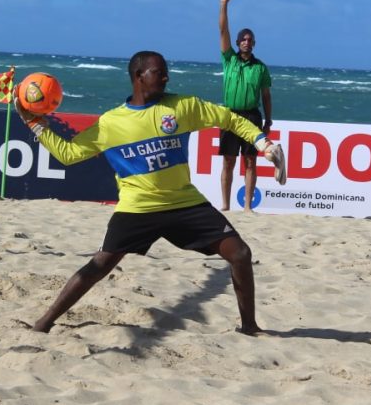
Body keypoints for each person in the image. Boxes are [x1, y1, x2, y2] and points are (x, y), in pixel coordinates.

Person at [15, 50, 286, 335]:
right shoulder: (111, 123)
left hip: (184, 202)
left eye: (166, 71)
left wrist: (265, 145)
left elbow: (231, 120)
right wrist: (34, 123)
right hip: (138, 207)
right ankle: (44, 323)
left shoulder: (183, 107)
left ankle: (249, 327)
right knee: (100, 265)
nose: (166, 77)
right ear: (138, 76)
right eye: (159, 72)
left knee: (240, 254)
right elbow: (69, 154)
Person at [217, 0, 273, 212]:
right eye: (243, 39)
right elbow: (223, 30)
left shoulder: (260, 67)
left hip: (251, 115)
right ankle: (226, 205)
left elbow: (266, 96)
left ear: (254, 43)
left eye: (250, 40)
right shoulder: (229, 59)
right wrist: (224, 5)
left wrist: (268, 121)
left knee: (250, 161)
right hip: (230, 115)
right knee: (228, 161)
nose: (246, 42)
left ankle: (248, 207)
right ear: (238, 42)